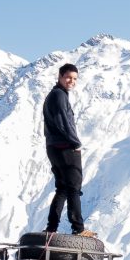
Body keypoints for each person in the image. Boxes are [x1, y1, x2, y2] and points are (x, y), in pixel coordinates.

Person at [42, 63, 95, 236]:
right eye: (68, 78)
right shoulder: (59, 96)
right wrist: (75, 143)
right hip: (65, 148)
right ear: (60, 76)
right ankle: (78, 228)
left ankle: (51, 228)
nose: (71, 81)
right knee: (74, 188)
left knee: (63, 188)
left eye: (74, 79)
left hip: (53, 147)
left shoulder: (55, 94)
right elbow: (63, 122)